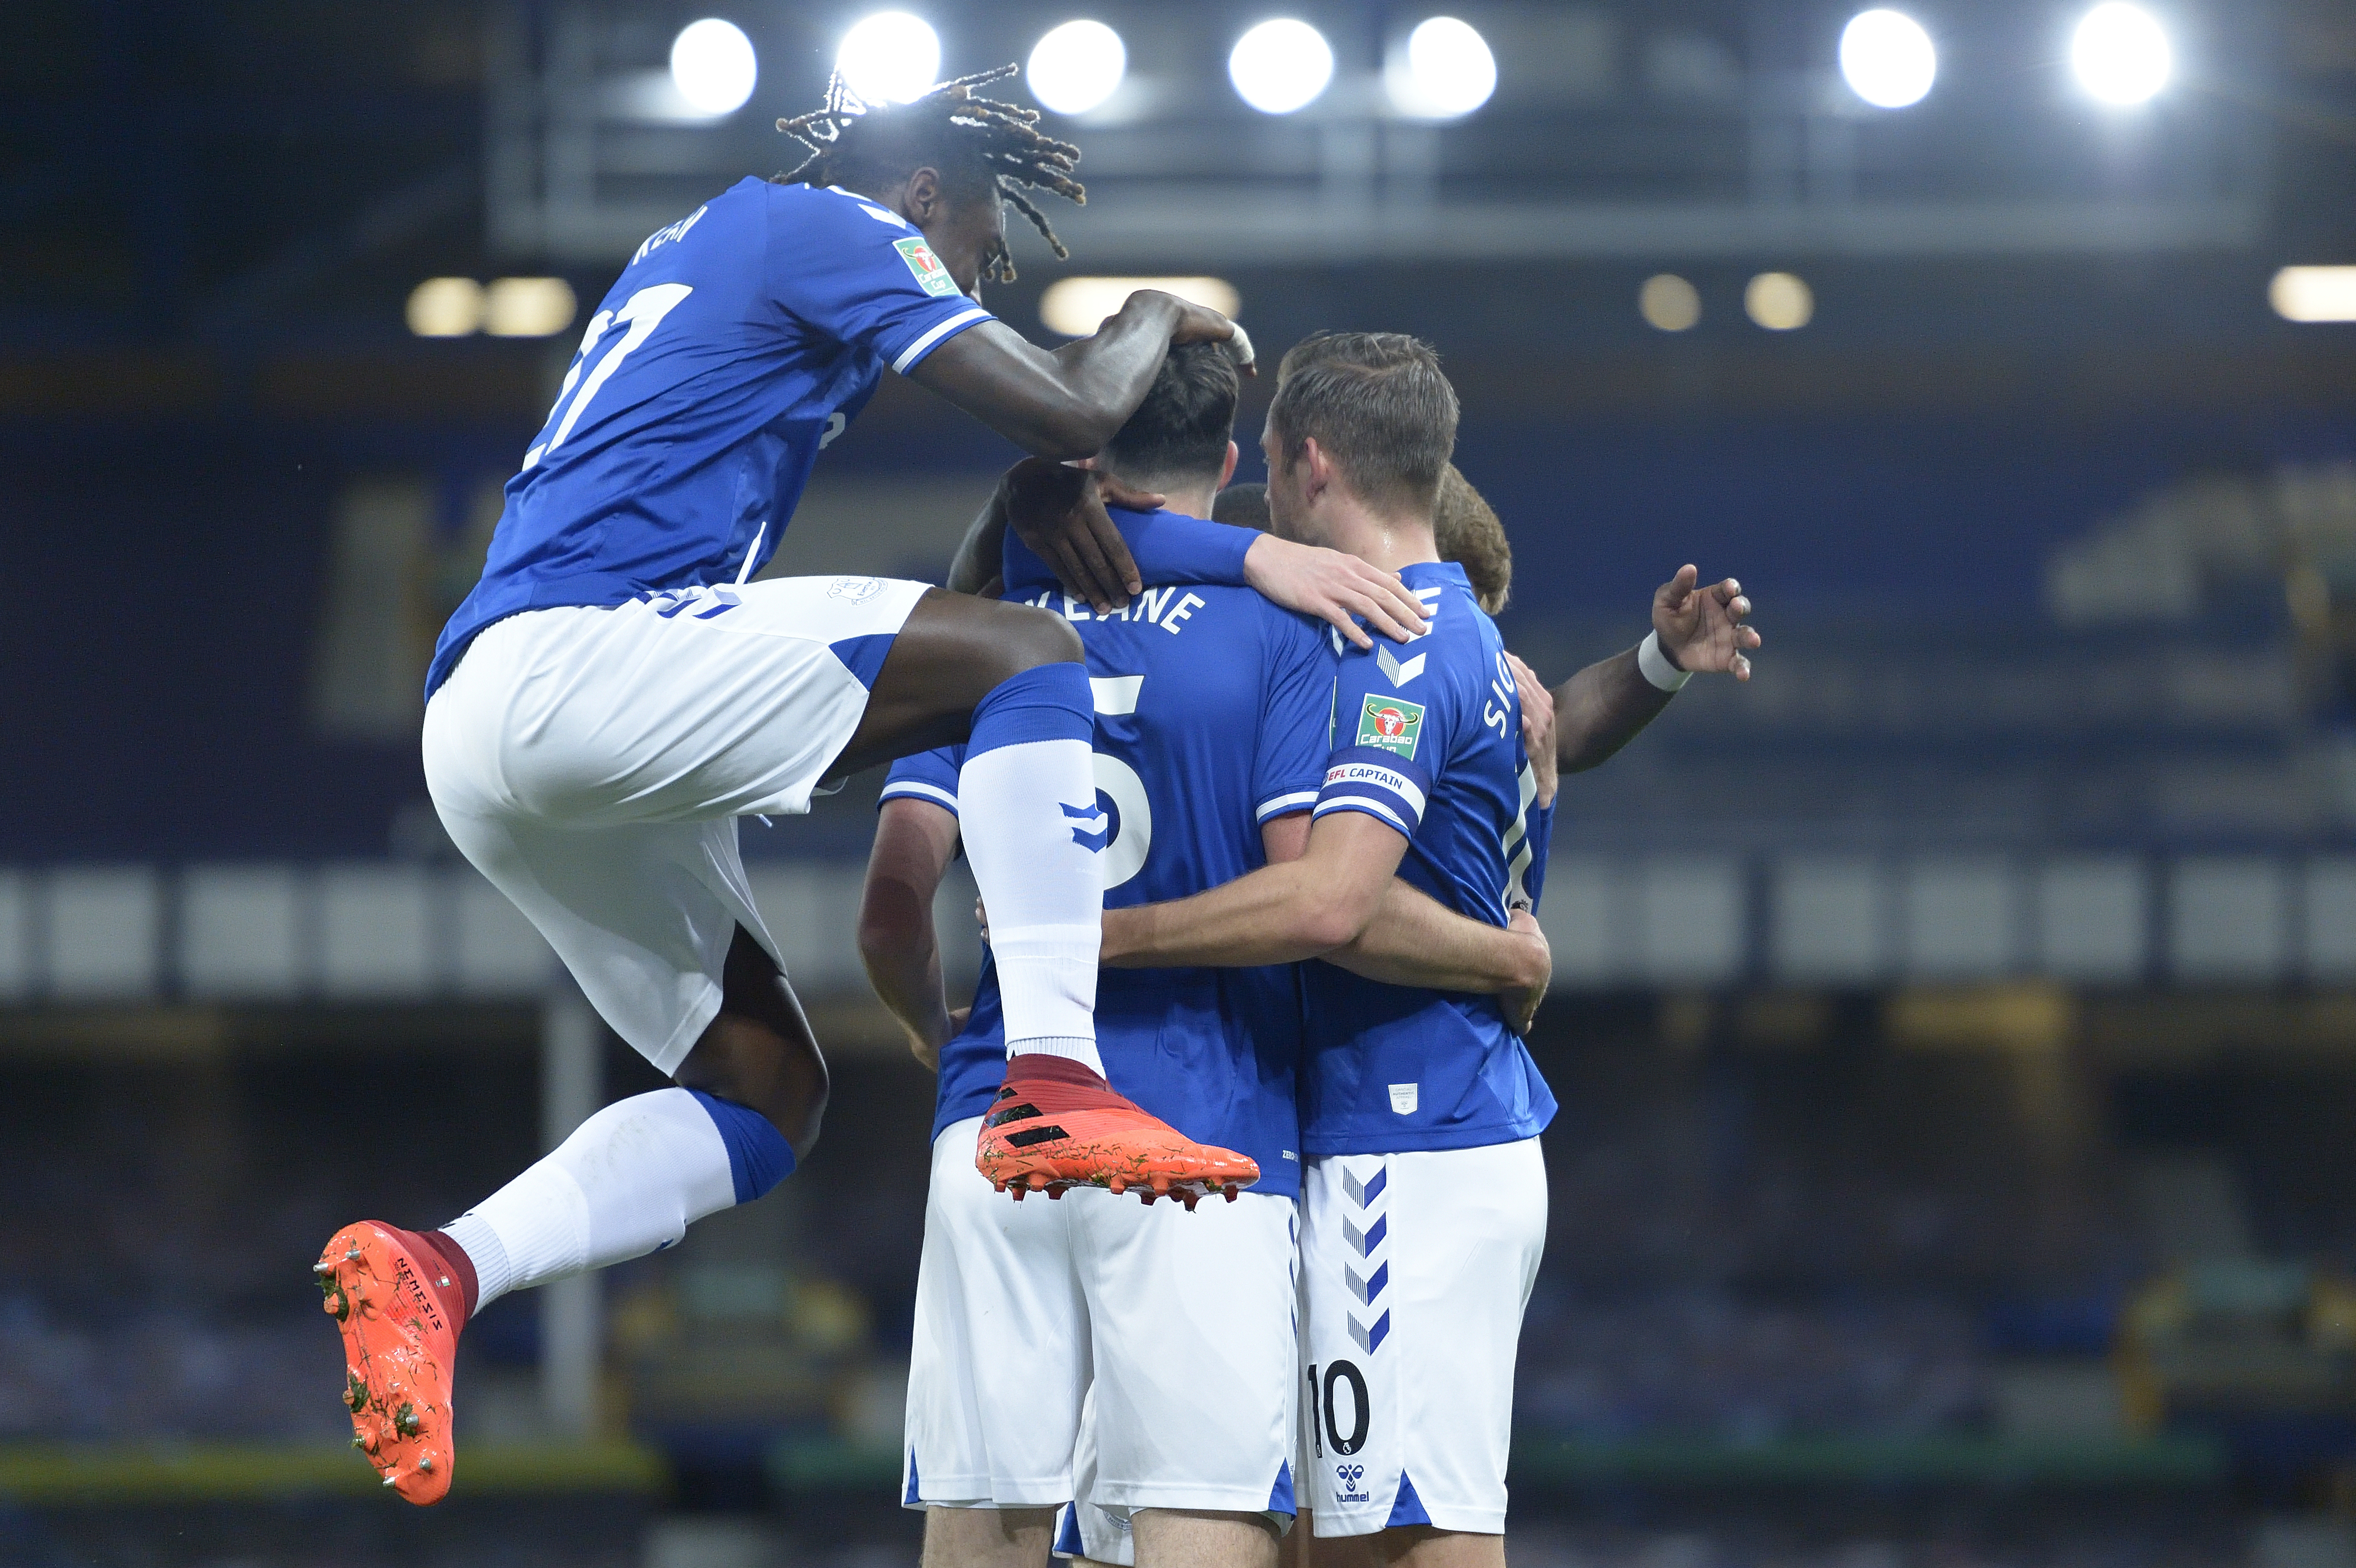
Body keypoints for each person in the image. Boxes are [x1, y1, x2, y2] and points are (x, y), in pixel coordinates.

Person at [314, 68, 1431, 1505]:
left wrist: (1015, 508)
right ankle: (1056, 1075)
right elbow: (1071, 407)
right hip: (582, 660)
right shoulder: (828, 226)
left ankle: (442, 1271)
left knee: (768, 1089)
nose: (976, 273)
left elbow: (953, 630)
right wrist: (1151, 316)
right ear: (920, 195)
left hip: (501, 731)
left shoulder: (716, 248)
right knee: (1030, 655)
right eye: (979, 242)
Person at [859, 343, 1549, 1568]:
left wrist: (937, 1023)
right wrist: (1501, 950)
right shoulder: (1289, 627)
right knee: (1204, 1513)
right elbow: (1318, 888)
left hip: (998, 1109)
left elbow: (892, 910)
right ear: (1234, 464)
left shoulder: (979, 625)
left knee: (986, 1519)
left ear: (1079, 456)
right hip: (1201, 1121)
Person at [1091, 332, 1559, 1568]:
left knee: (1412, 1545)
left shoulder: (1400, 650)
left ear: (1305, 463)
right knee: (1338, 1536)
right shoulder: (1459, 648)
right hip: (1401, 1132)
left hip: (1411, 1134)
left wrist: (1098, 937)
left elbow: (1328, 906)